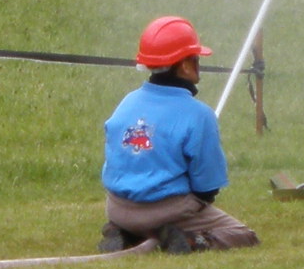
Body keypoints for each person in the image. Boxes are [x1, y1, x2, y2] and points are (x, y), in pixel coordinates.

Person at [99, 16, 259, 253]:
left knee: (139, 217)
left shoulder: (127, 101)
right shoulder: (199, 114)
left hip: (118, 208)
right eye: (195, 59)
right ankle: (191, 241)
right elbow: (207, 187)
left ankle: (122, 232)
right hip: (166, 212)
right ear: (184, 65)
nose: (198, 64)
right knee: (243, 235)